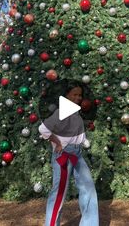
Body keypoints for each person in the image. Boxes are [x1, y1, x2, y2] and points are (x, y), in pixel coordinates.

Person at [38, 82, 99, 226]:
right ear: (67, 96)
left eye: (80, 95)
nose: (78, 98)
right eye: (75, 94)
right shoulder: (63, 111)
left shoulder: (74, 111)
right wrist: (58, 143)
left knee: (88, 187)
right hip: (64, 155)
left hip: (77, 154)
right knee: (59, 194)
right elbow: (43, 129)